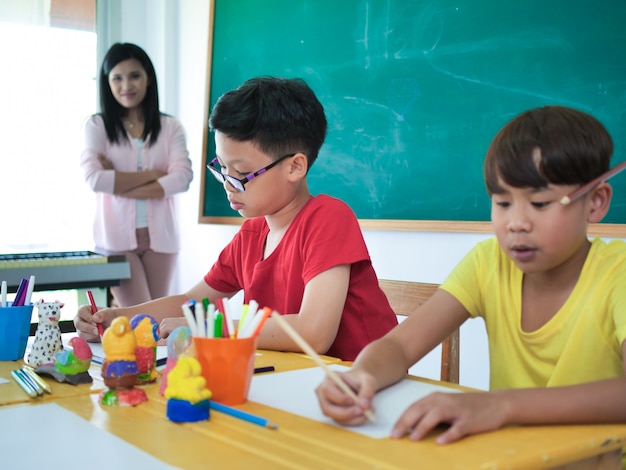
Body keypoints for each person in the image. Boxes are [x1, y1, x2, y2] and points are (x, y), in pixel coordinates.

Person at [315, 105, 626, 444]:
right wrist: (363, 375)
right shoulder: (488, 262)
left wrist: (501, 405)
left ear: (595, 202)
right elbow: (400, 348)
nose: (516, 223)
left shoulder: (617, 273)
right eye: (503, 203)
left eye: (540, 204)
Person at [74, 76, 398, 361]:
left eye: (242, 173)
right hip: (296, 380)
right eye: (222, 169)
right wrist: (118, 317)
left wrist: (212, 329)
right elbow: (191, 300)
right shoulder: (251, 235)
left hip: (360, 386)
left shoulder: (328, 218)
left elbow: (314, 333)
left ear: (295, 167)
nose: (229, 184)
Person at [80, 43, 193, 307]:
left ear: (148, 78)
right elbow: (95, 179)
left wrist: (117, 181)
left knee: (158, 319)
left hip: (161, 240)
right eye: (116, 78)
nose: (125, 86)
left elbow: (183, 177)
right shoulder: (97, 126)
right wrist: (154, 175)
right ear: (106, 82)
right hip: (116, 241)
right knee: (140, 316)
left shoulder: (170, 126)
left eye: (134, 76)